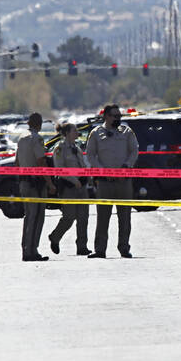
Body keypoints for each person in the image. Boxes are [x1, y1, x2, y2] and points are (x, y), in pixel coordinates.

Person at [84, 104, 139, 258]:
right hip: (104, 182)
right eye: (115, 116)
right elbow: (90, 155)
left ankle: (124, 247)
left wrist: (127, 165)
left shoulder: (127, 132)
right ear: (106, 117)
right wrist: (102, 170)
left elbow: (134, 150)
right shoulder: (96, 133)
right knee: (102, 217)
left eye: (119, 116)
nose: (118, 119)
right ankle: (100, 249)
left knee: (125, 217)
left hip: (123, 181)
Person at [16, 112, 56, 262]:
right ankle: (31, 251)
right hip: (36, 184)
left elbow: (17, 162)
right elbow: (41, 162)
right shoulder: (37, 138)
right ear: (39, 124)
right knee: (37, 217)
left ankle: (26, 248)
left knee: (29, 217)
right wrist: (50, 183)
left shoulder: (21, 137)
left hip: (24, 182)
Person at [48, 122, 90, 256]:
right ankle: (55, 237)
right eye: (74, 131)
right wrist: (74, 180)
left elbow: (82, 165)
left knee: (83, 217)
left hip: (81, 186)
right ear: (66, 133)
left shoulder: (76, 148)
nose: (76, 133)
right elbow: (60, 169)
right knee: (69, 217)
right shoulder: (59, 149)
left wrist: (87, 178)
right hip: (68, 187)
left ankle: (82, 246)